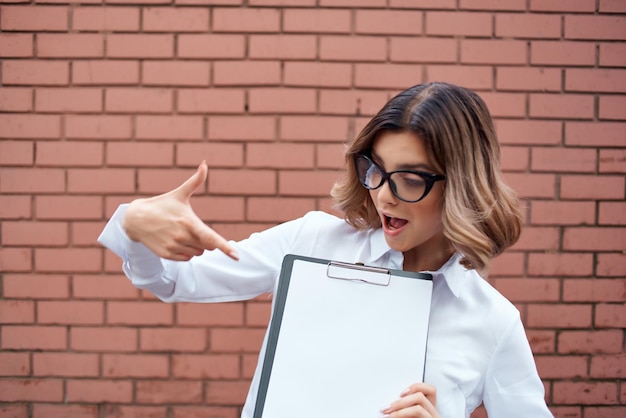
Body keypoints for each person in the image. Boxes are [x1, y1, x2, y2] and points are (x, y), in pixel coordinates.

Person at [98, 82, 553, 418]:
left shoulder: (492, 320)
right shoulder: (312, 242)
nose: (384, 195)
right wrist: (133, 222)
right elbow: (174, 279)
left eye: (411, 179)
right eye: (375, 169)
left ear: (463, 186)